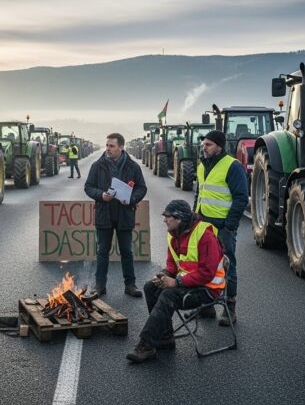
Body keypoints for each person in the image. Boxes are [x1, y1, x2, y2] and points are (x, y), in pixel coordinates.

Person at [126, 199, 225, 363]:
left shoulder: (205, 236)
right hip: (189, 283)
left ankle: (147, 344)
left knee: (168, 295)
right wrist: (164, 274)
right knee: (150, 287)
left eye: (167, 216)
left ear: (179, 219)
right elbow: (172, 265)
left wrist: (176, 282)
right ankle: (165, 337)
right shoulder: (174, 235)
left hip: (208, 289)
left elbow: (207, 273)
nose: (164, 220)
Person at [193, 130, 248, 326]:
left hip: (222, 226)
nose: (204, 147)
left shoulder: (232, 166)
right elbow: (200, 193)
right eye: (203, 144)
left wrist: (229, 226)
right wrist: (195, 218)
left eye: (208, 144)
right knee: (204, 265)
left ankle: (229, 309)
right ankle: (207, 305)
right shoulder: (202, 166)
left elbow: (241, 198)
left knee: (227, 267)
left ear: (219, 146)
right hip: (203, 224)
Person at [84, 133, 147, 297]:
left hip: (124, 214)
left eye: (111, 146)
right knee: (102, 251)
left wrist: (132, 199)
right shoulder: (97, 165)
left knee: (126, 251)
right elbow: (89, 187)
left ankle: (130, 285)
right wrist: (101, 195)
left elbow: (142, 188)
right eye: (107, 145)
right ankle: (99, 285)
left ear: (121, 147)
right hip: (104, 214)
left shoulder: (133, 167)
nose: (108, 149)